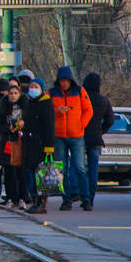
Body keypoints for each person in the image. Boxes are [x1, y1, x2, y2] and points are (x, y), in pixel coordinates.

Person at [50, 66, 93, 211]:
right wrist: (57, 111)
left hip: (76, 136)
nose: (64, 83)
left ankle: (85, 199)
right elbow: (46, 112)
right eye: (62, 81)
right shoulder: (51, 93)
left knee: (80, 168)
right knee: (62, 170)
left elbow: (88, 110)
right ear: (58, 81)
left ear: (71, 81)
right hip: (59, 136)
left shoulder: (80, 91)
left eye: (67, 81)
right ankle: (66, 199)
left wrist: (81, 124)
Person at [22, 78, 56, 214]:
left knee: (42, 174)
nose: (33, 89)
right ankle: (36, 201)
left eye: (36, 87)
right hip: (30, 145)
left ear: (42, 89)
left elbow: (49, 127)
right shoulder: (30, 103)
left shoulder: (46, 103)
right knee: (32, 173)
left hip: (41, 145)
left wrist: (49, 147)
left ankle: (42, 203)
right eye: (31, 86)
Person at [0, 80, 32, 209]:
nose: (13, 95)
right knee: (8, 173)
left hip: (21, 142)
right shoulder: (3, 107)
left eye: (15, 93)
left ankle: (22, 198)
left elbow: (31, 123)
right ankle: (10, 198)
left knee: (21, 172)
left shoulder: (25, 107)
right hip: (8, 142)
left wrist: (23, 125)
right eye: (11, 93)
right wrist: (8, 129)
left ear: (19, 94)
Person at [82, 72, 115, 207]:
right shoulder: (104, 100)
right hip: (96, 138)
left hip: (80, 136)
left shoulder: (81, 98)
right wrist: (102, 130)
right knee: (93, 168)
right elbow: (110, 120)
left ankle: (80, 193)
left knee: (79, 167)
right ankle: (91, 196)